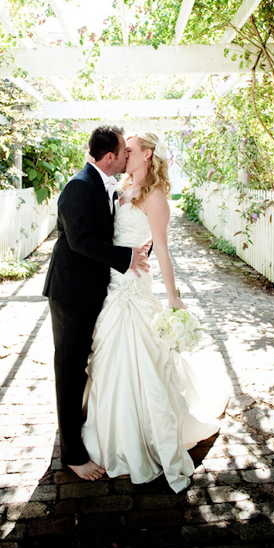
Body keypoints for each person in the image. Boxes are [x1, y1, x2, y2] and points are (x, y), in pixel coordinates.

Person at [81, 132, 223, 493]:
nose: (123, 153)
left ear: (147, 154)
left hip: (135, 287)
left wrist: (172, 297)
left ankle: (141, 437)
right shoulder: (122, 186)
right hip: (111, 284)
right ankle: (104, 430)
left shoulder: (156, 196)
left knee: (141, 359)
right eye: (122, 149)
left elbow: (161, 250)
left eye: (129, 150)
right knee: (106, 357)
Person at [42, 126, 149, 481]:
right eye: (123, 153)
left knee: (82, 367)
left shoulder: (103, 185)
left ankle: (78, 426)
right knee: (69, 370)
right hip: (71, 294)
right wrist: (125, 257)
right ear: (109, 158)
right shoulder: (78, 186)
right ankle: (72, 454)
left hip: (91, 291)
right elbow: (79, 241)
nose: (126, 158)